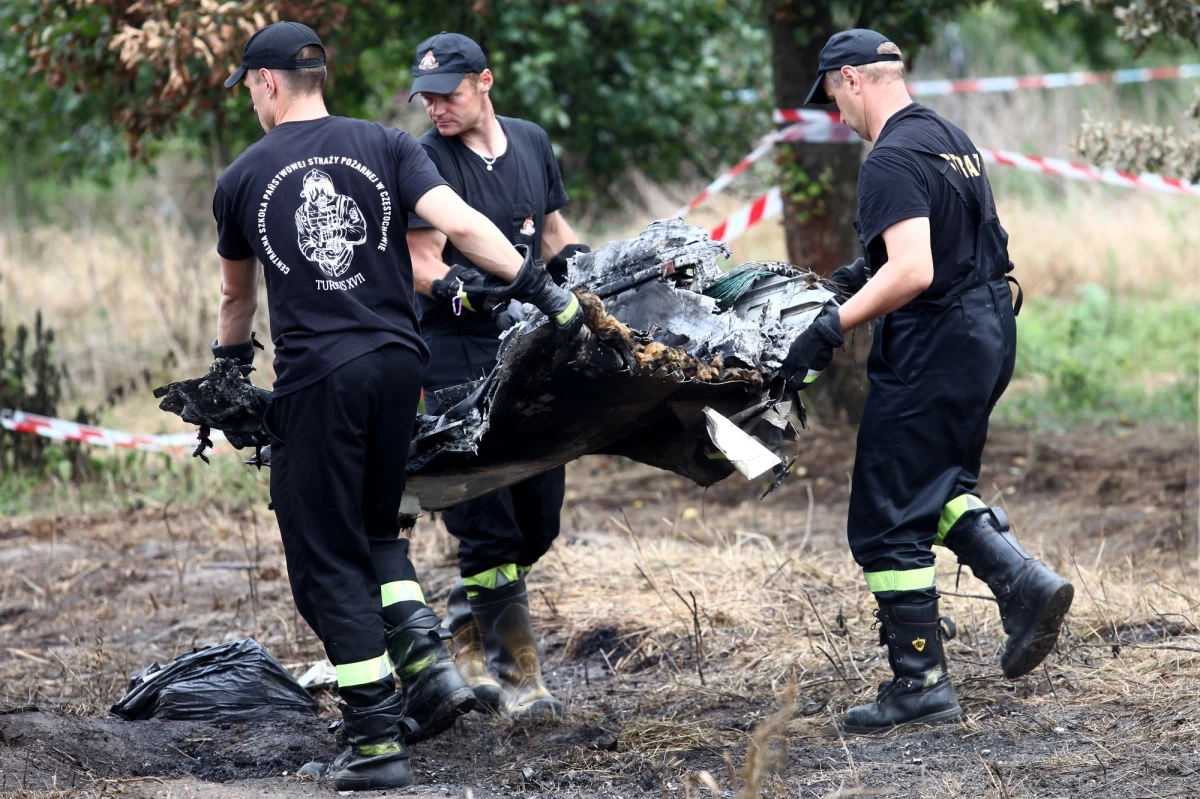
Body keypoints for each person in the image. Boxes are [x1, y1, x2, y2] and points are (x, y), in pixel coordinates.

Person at [212, 22, 578, 789]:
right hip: (398, 369)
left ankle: (376, 738)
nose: (251, 99)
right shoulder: (390, 146)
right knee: (380, 531)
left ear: (269, 83)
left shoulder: (243, 176)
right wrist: (541, 289)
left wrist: (228, 370)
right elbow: (465, 226)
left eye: (248, 86)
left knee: (323, 558)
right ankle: (430, 669)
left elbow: (235, 295)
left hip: (321, 379)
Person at [781, 29, 1075, 735]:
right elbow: (944, 243)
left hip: (937, 339)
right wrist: (854, 274)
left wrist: (829, 328)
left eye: (830, 96)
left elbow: (912, 270)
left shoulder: (888, 157)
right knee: (932, 483)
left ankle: (920, 682)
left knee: (884, 518)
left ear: (851, 78)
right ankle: (1022, 582)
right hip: (986, 327)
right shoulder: (950, 138)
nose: (834, 113)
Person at [404, 32, 588, 721]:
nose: (434, 108)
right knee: (488, 527)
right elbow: (421, 260)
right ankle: (520, 680)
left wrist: (585, 271)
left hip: (527, 348)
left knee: (538, 518)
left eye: (447, 94)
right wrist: (458, 289)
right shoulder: (424, 157)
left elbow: (550, 230)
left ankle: (464, 622)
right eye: (425, 96)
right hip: (454, 356)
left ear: (484, 81)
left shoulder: (532, 142)